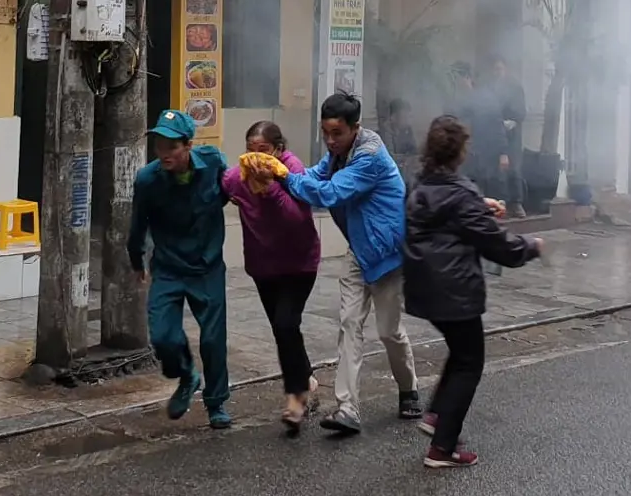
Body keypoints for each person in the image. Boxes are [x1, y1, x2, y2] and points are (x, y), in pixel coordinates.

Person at [268, 92, 421, 435]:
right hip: (357, 251)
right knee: (349, 324)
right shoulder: (339, 154)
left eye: (337, 133)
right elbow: (315, 177)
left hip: (386, 256)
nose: (330, 140)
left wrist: (285, 176)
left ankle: (408, 389)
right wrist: (283, 171)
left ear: (356, 128)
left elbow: (329, 193)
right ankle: (347, 408)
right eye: (325, 133)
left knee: (389, 332)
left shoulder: (369, 158)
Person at [403, 115, 542, 468]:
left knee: (460, 351)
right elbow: (497, 245)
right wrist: (531, 245)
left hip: (424, 286)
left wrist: (480, 206)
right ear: (461, 152)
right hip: (454, 290)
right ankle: (442, 449)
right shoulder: (460, 192)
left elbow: (447, 215)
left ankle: (435, 415)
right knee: (470, 362)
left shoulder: (421, 185)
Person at [128, 109, 234, 429]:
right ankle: (187, 375)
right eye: (159, 145)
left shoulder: (213, 163)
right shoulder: (147, 180)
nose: (163, 153)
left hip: (207, 267)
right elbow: (137, 226)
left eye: (171, 146)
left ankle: (216, 403)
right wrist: (137, 261)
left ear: (188, 145)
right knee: (162, 336)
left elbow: (231, 193)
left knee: (213, 340)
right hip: (169, 268)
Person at [226, 121, 321, 434]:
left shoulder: (294, 172)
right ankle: (304, 375)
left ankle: (296, 397)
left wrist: (269, 188)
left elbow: (297, 218)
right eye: (250, 151)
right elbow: (220, 185)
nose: (256, 158)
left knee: (285, 324)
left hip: (299, 263)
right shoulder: (239, 177)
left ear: (279, 150)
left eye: (263, 151)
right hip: (263, 266)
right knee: (282, 329)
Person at [452, 62, 511, 214]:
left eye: (457, 78)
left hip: (486, 152)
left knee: (485, 186)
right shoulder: (459, 100)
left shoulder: (485, 98)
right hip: (468, 153)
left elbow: (497, 125)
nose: (455, 83)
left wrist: (503, 153)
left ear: (467, 78)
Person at [489, 58, 528, 217]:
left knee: (514, 169)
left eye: (500, 69)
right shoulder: (490, 89)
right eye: (495, 69)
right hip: (495, 134)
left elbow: (521, 112)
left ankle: (517, 203)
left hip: (512, 135)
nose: (497, 72)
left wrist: (512, 121)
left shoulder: (515, 88)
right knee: (497, 170)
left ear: (506, 70)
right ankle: (500, 203)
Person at [384, 98, 421, 187]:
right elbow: (389, 157)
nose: (408, 120)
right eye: (405, 117)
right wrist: (407, 158)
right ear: (393, 118)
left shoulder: (407, 130)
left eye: (409, 116)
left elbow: (414, 151)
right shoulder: (385, 132)